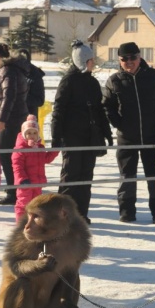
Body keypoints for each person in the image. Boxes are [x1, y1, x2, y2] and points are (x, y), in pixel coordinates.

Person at [102, 41, 155, 223]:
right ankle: (127, 211)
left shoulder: (153, 76)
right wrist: (119, 124)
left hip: (152, 135)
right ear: (119, 60)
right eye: (125, 59)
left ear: (140, 57)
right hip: (127, 137)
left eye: (133, 57)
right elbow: (107, 106)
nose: (129, 62)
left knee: (154, 176)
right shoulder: (114, 80)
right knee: (127, 177)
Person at [51, 40, 112, 225]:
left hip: (90, 136)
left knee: (86, 176)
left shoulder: (92, 82)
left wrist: (106, 132)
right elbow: (58, 110)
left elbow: (99, 110)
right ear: (82, 61)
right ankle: (63, 216)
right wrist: (56, 136)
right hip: (72, 137)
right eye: (90, 60)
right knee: (71, 176)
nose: (94, 63)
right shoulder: (68, 81)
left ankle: (81, 214)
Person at [0, 44, 30, 206]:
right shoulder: (14, 69)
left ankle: (13, 192)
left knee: (6, 155)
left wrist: (2, 119)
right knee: (12, 155)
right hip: (17, 117)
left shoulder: (7, 71)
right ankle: (16, 190)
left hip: (11, 120)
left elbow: (9, 96)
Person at [12, 116, 58, 222]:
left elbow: (46, 159)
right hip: (25, 183)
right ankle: (21, 222)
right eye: (29, 133)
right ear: (24, 134)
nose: (32, 136)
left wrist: (55, 151)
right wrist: (22, 179)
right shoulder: (20, 149)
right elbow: (17, 166)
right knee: (23, 203)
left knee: (36, 204)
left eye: (34, 133)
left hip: (37, 183)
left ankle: (33, 223)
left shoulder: (40, 148)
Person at [18, 48, 46, 116]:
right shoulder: (13, 73)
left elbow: (39, 100)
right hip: (12, 117)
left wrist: (21, 98)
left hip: (29, 118)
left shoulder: (35, 76)